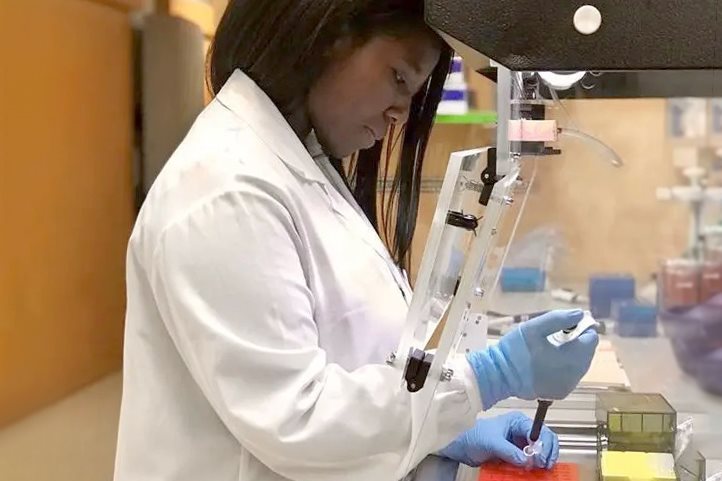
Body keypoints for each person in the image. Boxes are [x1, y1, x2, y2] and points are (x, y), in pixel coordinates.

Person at [113, 1, 599, 481]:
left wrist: (440, 430)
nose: (400, 114)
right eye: (399, 78)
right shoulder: (226, 191)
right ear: (328, 35)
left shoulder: (301, 163)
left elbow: (356, 354)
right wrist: (489, 376)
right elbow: (298, 420)